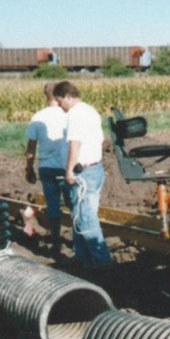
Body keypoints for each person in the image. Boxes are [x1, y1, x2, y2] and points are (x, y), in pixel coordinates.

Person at [54, 81, 112, 268]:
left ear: (67, 97)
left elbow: (75, 144)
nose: (59, 106)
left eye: (59, 101)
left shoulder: (75, 113)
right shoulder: (91, 110)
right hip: (94, 169)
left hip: (83, 173)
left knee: (86, 220)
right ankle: (83, 259)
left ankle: (103, 263)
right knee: (80, 216)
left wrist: (68, 171)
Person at [24, 82, 73, 247]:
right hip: (67, 167)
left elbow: (31, 146)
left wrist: (29, 168)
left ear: (45, 96)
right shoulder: (68, 114)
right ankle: (77, 243)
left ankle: (56, 241)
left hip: (46, 168)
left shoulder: (38, 117)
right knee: (74, 206)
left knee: (52, 207)